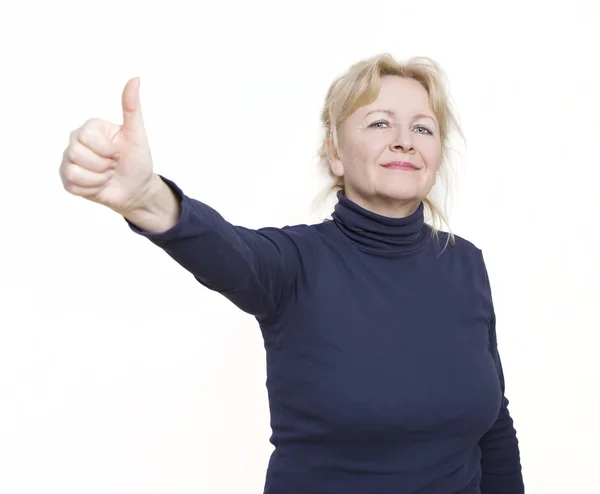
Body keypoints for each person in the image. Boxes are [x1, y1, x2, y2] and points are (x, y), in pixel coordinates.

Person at [59, 53, 525, 494]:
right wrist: (146, 198)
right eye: (380, 122)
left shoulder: (466, 264)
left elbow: (493, 426)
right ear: (336, 153)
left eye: (422, 128)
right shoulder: (294, 263)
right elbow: (229, 251)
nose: (404, 139)